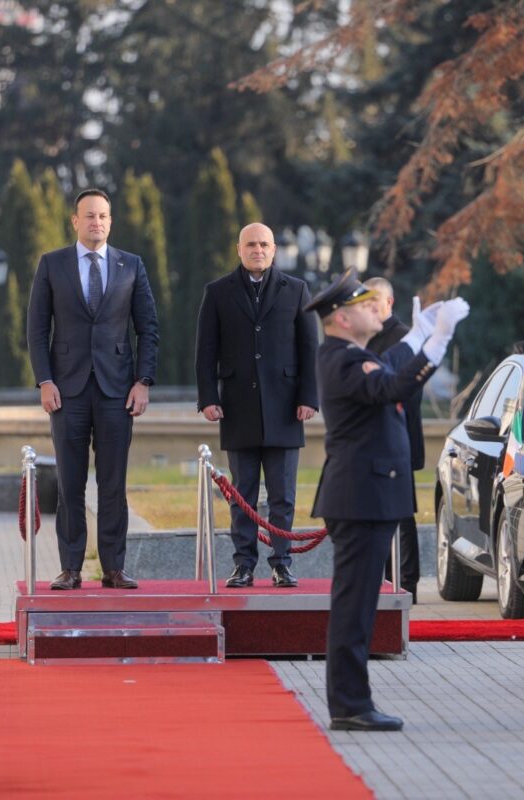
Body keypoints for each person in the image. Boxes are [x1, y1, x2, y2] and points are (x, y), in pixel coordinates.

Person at [308, 270, 469, 731]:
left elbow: (389, 365)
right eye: (364, 305)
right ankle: (350, 705)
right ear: (342, 317)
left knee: (358, 605)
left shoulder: (351, 354)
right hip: (361, 498)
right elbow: (390, 386)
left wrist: (418, 334)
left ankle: (352, 701)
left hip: (367, 495)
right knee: (354, 606)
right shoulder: (341, 360)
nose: (375, 309)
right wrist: (434, 345)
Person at [27, 188, 160, 591]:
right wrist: (45, 380)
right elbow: (37, 329)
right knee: (70, 483)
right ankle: (70, 568)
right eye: (88, 216)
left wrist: (143, 382)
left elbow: (148, 328)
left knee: (113, 483)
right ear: (75, 221)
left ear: (110, 221)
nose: (96, 222)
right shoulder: (52, 265)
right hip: (66, 391)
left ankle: (114, 568)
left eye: (102, 216)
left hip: (117, 391)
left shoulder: (131, 266)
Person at [195, 222, 319, 589]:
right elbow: (205, 352)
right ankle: (243, 565)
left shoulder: (296, 291)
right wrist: (208, 399)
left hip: (285, 408)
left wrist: (308, 398)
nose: (258, 250)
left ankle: (281, 563)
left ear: (274, 249)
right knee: (242, 496)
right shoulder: (217, 292)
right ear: (239, 249)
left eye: (264, 244)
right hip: (238, 408)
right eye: (251, 244)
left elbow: (309, 348)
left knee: (282, 495)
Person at [364, 276, 423, 603]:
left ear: (389, 302)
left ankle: (407, 583)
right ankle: (384, 581)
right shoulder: (366, 336)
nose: (371, 307)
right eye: (366, 301)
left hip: (398, 439)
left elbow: (407, 389)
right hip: (372, 440)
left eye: (377, 301)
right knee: (377, 512)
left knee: (401, 514)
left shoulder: (402, 337)